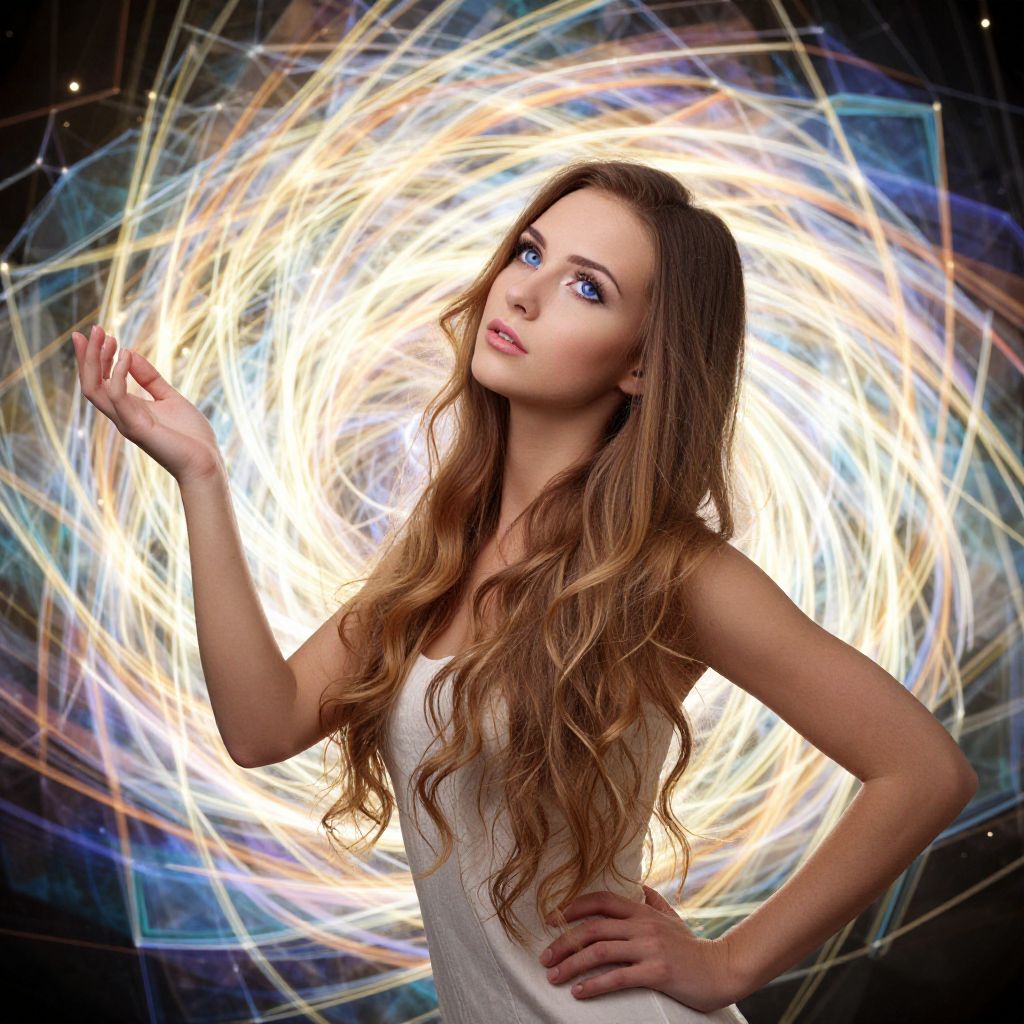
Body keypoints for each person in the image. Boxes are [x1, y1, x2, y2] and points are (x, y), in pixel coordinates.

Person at [71, 158, 978, 1023]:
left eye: (587, 287)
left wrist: (731, 962)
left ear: (639, 365)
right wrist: (201, 476)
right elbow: (261, 727)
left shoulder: (672, 575)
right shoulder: (439, 553)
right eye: (530, 251)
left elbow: (925, 771)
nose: (522, 290)